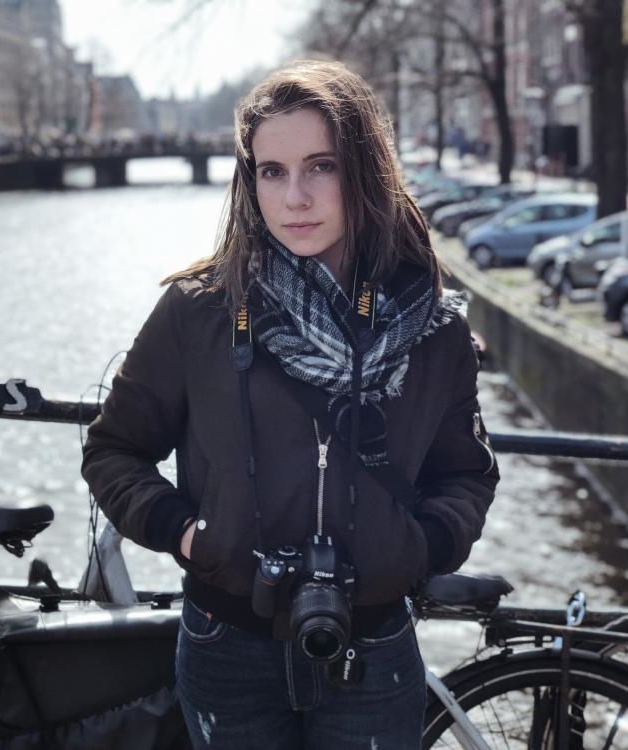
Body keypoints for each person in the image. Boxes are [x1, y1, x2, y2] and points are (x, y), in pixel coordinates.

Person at [81, 59, 499, 750]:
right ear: (249, 182)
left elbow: (466, 473)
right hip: (227, 646)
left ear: (363, 171)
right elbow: (113, 449)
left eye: (320, 167)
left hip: (374, 646)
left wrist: (421, 548)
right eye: (272, 172)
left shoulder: (433, 327)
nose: (295, 197)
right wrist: (189, 535)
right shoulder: (201, 311)